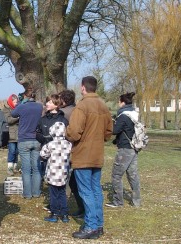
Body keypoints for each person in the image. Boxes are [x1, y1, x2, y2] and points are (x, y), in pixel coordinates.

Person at [66, 76, 113, 239]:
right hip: (97, 154)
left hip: (83, 155)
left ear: (82, 87)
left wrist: (66, 133)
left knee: (86, 191)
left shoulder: (82, 106)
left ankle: (91, 226)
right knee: (96, 191)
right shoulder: (104, 106)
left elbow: (74, 132)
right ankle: (98, 225)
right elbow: (108, 133)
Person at [106, 92, 141, 208]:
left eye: (119, 101)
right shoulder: (134, 114)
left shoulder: (123, 116)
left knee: (116, 175)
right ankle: (137, 201)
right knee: (133, 175)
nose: (118, 104)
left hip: (125, 149)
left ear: (123, 103)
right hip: (133, 147)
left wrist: (111, 122)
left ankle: (118, 201)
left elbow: (114, 130)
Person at [11, 87, 43, 199]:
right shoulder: (40, 107)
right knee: (36, 167)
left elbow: (13, 113)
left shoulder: (22, 106)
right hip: (37, 139)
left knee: (26, 168)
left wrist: (20, 103)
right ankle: (36, 192)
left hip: (24, 139)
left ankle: (27, 194)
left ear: (25, 96)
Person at [59, 89, 84, 218]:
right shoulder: (77, 110)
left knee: (70, 179)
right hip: (79, 149)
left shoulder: (64, 113)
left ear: (63, 100)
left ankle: (81, 207)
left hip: (68, 147)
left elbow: (70, 132)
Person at [40, 122, 72, 223]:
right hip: (63, 174)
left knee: (53, 194)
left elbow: (43, 154)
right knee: (62, 193)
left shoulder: (50, 144)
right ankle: (65, 214)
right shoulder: (68, 144)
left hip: (53, 174)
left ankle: (54, 213)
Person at [36, 94, 68, 179]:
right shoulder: (42, 119)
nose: (47, 104)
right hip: (46, 152)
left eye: (50, 102)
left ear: (56, 104)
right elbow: (37, 132)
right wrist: (42, 138)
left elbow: (67, 136)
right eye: (47, 102)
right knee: (48, 175)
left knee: (60, 177)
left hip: (60, 154)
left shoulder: (63, 120)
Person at [3, 94, 20, 176]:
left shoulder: (19, 108)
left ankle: (15, 167)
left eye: (17, 102)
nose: (16, 103)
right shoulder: (6, 110)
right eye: (15, 102)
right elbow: (8, 120)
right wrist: (18, 118)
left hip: (19, 134)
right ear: (11, 101)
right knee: (12, 151)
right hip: (11, 135)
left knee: (17, 151)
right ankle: (9, 168)